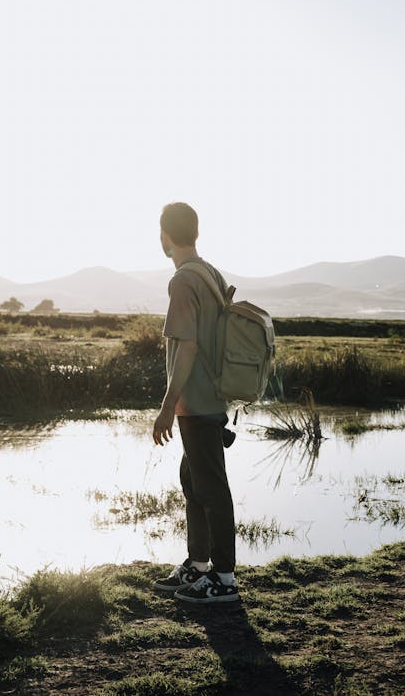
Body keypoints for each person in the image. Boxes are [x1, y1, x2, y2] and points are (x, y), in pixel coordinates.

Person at [152, 202, 239, 604]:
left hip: (197, 401)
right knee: (194, 483)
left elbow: (186, 347)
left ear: (165, 237)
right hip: (210, 397)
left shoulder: (183, 281)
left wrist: (168, 405)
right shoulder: (211, 274)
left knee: (212, 489)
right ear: (196, 233)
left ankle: (224, 579)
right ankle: (198, 565)